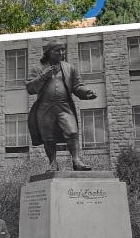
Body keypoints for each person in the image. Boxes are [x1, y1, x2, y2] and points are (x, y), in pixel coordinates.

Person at [26, 41, 97, 172]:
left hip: (64, 106)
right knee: (48, 137)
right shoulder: (37, 69)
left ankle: (76, 160)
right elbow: (30, 88)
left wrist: (86, 92)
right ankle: (53, 163)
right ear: (49, 53)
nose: (62, 53)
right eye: (58, 50)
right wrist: (43, 76)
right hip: (45, 108)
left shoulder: (70, 68)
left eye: (63, 50)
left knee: (72, 131)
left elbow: (77, 86)